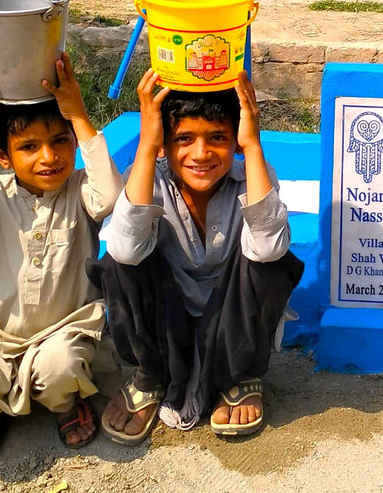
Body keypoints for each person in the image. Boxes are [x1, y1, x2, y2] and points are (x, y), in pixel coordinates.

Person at [87, 68, 304, 444]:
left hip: (232, 318)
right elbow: (123, 249)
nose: (201, 154)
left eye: (217, 138)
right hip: (166, 319)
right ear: (165, 145)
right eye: (183, 139)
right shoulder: (149, 178)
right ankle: (150, 376)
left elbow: (269, 247)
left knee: (273, 261)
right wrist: (146, 147)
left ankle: (240, 375)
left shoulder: (253, 174)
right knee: (118, 262)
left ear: (234, 140)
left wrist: (252, 146)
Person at [0, 53, 122, 457]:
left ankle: (65, 404)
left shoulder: (80, 191)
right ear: (3, 156)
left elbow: (111, 199)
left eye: (60, 141)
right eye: (29, 147)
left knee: (61, 369)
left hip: (63, 330)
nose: (48, 157)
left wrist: (80, 117)